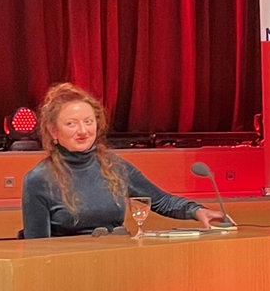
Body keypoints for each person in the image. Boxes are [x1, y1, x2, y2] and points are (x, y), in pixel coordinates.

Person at [22, 82, 227, 238]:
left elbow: (162, 201)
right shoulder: (38, 180)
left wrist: (197, 211)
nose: (83, 131)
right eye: (71, 124)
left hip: (116, 262)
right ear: (53, 131)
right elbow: (38, 247)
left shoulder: (114, 166)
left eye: (88, 122)